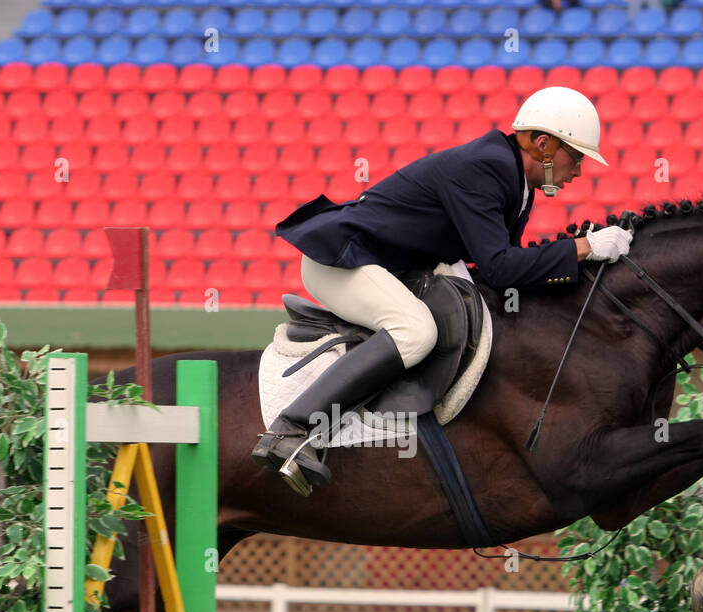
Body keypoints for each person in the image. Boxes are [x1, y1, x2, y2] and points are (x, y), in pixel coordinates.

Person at [255, 87, 634, 493]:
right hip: (342, 261)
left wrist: (583, 254)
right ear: (543, 144)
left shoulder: (517, 182)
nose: (577, 171)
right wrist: (583, 248)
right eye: (574, 157)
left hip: (388, 265)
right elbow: (500, 267)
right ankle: (290, 430)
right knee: (416, 332)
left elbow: (499, 269)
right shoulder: (487, 168)